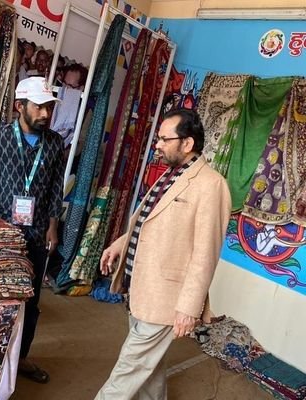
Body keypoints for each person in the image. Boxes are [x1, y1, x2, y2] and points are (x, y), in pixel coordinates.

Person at [95, 108, 232, 400]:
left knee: (127, 371)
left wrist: (189, 308)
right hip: (141, 290)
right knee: (149, 368)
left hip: (166, 299)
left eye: (163, 139)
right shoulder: (171, 174)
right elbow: (149, 221)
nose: (157, 145)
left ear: (187, 144)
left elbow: (205, 253)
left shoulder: (211, 185)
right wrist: (121, 243)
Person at [0, 76, 65, 384]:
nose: (46, 114)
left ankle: (20, 358)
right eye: (39, 107)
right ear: (20, 106)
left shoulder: (55, 143)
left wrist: (52, 228)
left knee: (31, 302)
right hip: (1, 233)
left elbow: (55, 190)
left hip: (36, 235)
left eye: (49, 107)